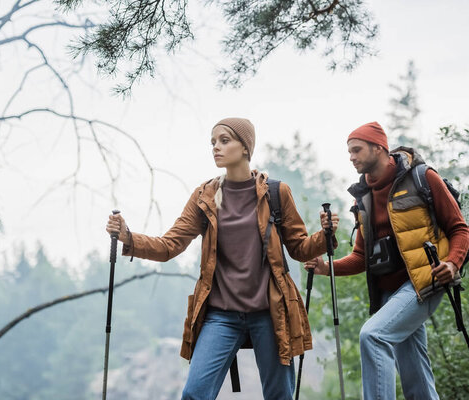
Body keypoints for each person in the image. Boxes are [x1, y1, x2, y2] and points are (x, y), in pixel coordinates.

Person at [106, 117, 339, 400]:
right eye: (213, 142)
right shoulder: (205, 196)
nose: (216, 147)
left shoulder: (276, 193)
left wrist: (324, 235)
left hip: (270, 311)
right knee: (194, 394)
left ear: (245, 148)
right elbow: (170, 245)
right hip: (220, 316)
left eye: (224, 141)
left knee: (279, 396)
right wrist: (128, 237)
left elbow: (299, 248)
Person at [306, 122, 469, 400]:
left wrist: (453, 264)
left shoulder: (422, 177)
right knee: (415, 372)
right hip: (388, 293)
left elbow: (459, 228)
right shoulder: (363, 198)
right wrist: (325, 268)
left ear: (379, 147)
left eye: (357, 149)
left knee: (373, 336)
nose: (351, 157)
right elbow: (362, 258)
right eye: (349, 152)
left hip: (424, 282)